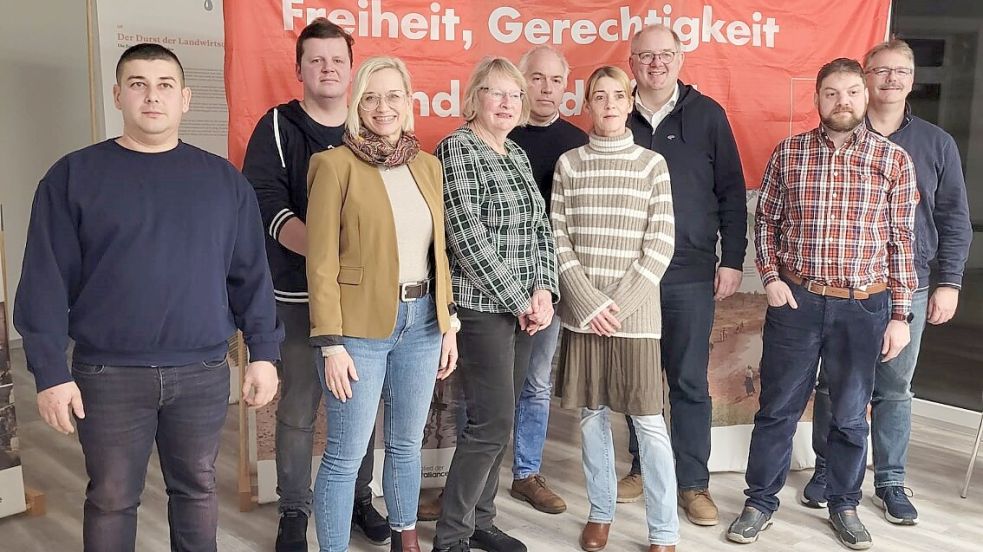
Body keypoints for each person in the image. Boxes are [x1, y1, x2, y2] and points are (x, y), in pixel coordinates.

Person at [14, 43, 283, 552]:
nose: (151, 96)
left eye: (163, 86)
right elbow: (43, 282)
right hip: (108, 375)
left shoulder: (223, 182)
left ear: (184, 99)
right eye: (137, 84)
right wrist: (50, 374)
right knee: (112, 498)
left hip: (201, 372)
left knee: (198, 490)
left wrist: (264, 355)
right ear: (118, 95)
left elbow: (251, 276)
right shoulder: (73, 177)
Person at [727, 58, 918, 550]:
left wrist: (900, 315)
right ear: (817, 99)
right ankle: (760, 502)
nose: (843, 102)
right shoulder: (789, 153)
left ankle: (844, 504)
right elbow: (764, 220)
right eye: (831, 93)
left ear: (865, 95)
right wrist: (769, 277)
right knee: (777, 409)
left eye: (852, 92)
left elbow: (901, 242)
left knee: (852, 415)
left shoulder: (892, 160)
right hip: (798, 301)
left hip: (863, 307)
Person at [804, 39, 973, 525]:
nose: (892, 79)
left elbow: (954, 217)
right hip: (844, 284)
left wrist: (950, 282)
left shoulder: (936, 144)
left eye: (902, 71)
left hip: (909, 285)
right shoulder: (833, 138)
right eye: (881, 71)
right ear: (865, 79)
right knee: (833, 385)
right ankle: (828, 472)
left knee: (894, 388)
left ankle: (891, 480)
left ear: (912, 79)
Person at [241, 19, 389, 550]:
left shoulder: (369, 129)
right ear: (299, 67)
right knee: (300, 407)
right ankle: (294, 511)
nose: (328, 68)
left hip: (364, 300)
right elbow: (265, 202)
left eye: (337, 60)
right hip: (299, 295)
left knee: (361, 407)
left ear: (352, 70)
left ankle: (358, 498)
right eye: (316, 60)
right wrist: (329, 257)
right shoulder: (278, 126)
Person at [305, 55, 459, 552]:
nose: (382, 107)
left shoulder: (428, 165)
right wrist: (330, 343)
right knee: (346, 457)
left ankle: (404, 539)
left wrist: (448, 322)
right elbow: (321, 260)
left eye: (393, 95)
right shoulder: (334, 166)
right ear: (356, 103)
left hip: (423, 324)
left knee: (406, 446)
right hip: (357, 332)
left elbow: (441, 251)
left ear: (408, 102)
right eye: (371, 96)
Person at [620, 24, 748, 525]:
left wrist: (732, 259)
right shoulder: (616, 114)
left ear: (680, 59)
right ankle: (640, 467)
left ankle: (693, 482)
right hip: (628, 275)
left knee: (690, 381)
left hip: (689, 272)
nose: (656, 64)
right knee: (638, 379)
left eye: (665, 55)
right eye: (646, 56)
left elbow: (731, 192)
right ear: (632, 62)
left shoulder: (708, 115)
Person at [432, 56, 559, 552]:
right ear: (475, 97)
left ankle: (482, 521)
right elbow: (465, 237)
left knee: (498, 425)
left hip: (526, 307)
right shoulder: (457, 149)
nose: (506, 103)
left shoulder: (517, 155)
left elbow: (541, 231)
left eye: (514, 95)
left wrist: (544, 292)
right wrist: (519, 300)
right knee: (492, 421)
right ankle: (452, 535)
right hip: (483, 308)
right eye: (495, 92)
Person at [553, 65, 678, 552]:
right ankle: (601, 511)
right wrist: (587, 304)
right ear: (587, 104)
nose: (608, 104)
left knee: (648, 421)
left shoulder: (652, 165)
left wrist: (617, 306)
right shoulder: (570, 164)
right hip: (583, 316)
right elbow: (558, 238)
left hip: (635, 318)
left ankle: (664, 529)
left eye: (617, 95)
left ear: (631, 102)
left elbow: (660, 243)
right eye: (598, 96)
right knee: (590, 416)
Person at [506, 45, 588, 514]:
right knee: (491, 383)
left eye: (555, 80)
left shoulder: (577, 144)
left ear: (566, 85)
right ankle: (468, 476)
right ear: (521, 80)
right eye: (536, 78)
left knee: (535, 382)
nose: (545, 88)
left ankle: (525, 473)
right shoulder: (498, 132)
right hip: (493, 285)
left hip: (548, 286)